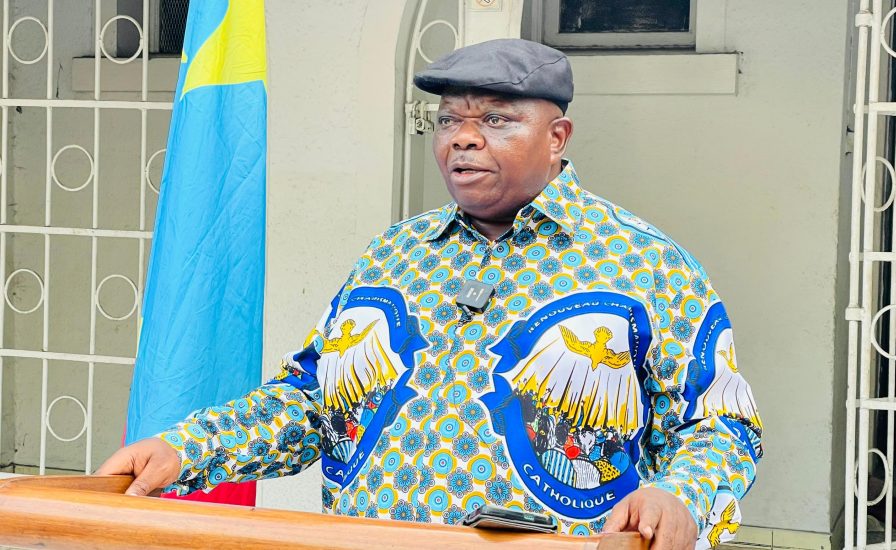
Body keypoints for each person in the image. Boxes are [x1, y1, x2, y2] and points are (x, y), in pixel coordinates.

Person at [98, 39, 763, 549]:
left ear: (557, 137)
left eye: (497, 119)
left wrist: (680, 498)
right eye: (449, 121)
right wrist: (189, 448)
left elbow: (722, 425)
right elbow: (313, 399)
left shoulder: (647, 264)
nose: (464, 137)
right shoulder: (394, 255)